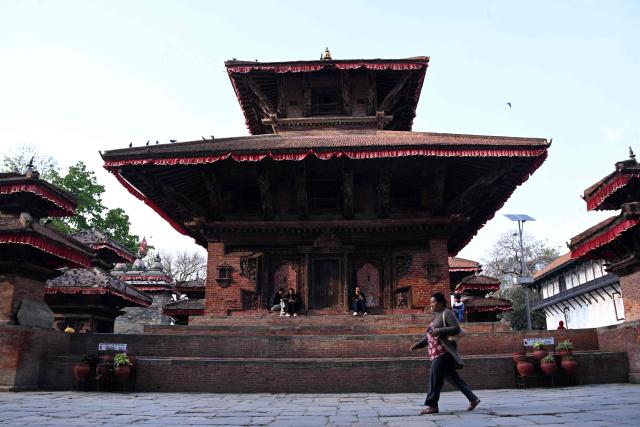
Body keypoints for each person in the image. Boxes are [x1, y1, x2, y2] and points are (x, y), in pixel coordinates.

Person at [410, 292, 480, 415]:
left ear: (441, 302)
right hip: (435, 353)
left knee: (434, 378)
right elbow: (429, 336)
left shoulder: (448, 313)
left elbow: (456, 328)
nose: (431, 305)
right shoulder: (436, 316)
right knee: (453, 378)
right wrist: (418, 344)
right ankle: (473, 399)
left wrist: (439, 330)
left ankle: (432, 406)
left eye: (433, 302)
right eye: (431, 302)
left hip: (442, 352)